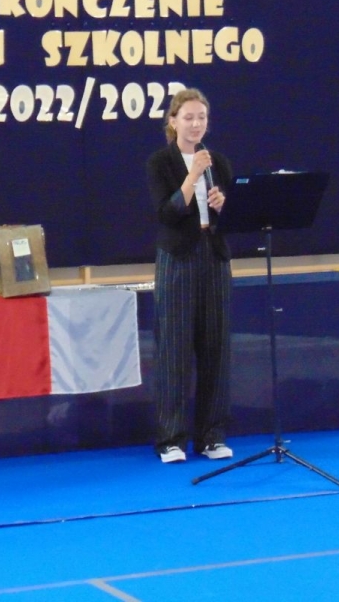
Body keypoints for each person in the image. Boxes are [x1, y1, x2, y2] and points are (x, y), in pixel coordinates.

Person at [146, 87, 234, 464]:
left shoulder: (219, 162)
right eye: (188, 118)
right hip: (178, 258)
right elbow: (167, 213)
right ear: (174, 122)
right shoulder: (160, 162)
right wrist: (192, 175)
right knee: (175, 349)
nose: (196, 124)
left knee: (215, 348)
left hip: (213, 255)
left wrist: (224, 204)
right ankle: (171, 439)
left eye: (201, 118)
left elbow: (234, 216)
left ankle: (211, 435)